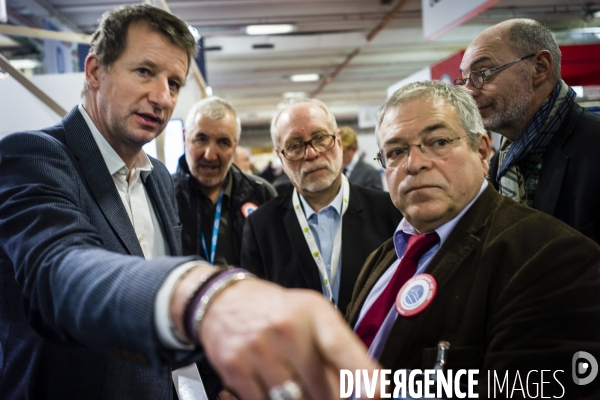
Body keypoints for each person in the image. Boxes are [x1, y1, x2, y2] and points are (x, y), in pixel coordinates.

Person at [0, 5, 379, 400]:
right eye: (144, 71)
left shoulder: (158, 178)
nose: (162, 97)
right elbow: (60, 271)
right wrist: (200, 296)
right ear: (96, 71)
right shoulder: (35, 156)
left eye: (175, 83)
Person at [344, 80, 600, 398]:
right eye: (396, 152)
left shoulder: (551, 258)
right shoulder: (382, 259)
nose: (414, 164)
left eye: (437, 142)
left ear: (481, 151)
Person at [240, 98, 402, 315]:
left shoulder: (390, 211)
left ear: (339, 143)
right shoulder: (262, 227)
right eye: (295, 145)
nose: (311, 153)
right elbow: (255, 310)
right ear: (280, 156)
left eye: (320, 138)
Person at [457, 18, 600, 244]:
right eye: (465, 79)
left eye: (482, 73)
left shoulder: (593, 147)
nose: (469, 92)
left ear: (540, 67)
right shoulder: (499, 166)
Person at [173, 97, 276, 267]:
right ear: (185, 137)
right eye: (201, 139)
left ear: (235, 146)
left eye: (223, 142)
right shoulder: (163, 195)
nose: (210, 155)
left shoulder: (262, 194)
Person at [340, 126, 383, 190]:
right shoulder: (335, 171)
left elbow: (377, 199)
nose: (339, 156)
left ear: (353, 149)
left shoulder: (371, 173)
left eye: (342, 152)